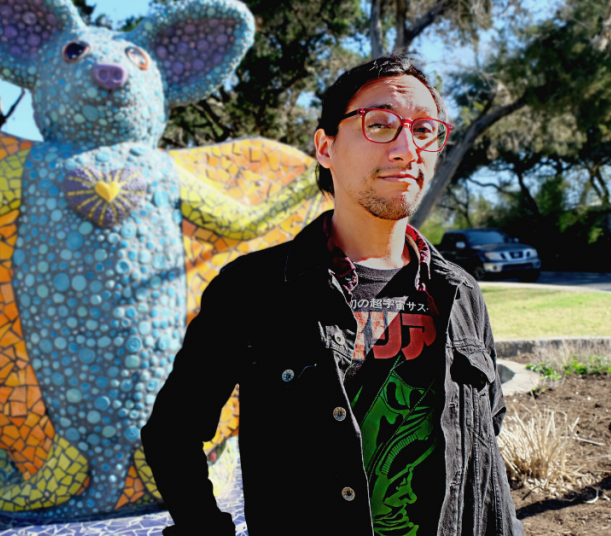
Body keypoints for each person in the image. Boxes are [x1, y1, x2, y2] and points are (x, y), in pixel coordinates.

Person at [142, 54, 524, 536]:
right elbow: (172, 432)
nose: (408, 148)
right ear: (326, 147)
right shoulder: (254, 289)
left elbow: (484, 437)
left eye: (425, 129)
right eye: (380, 124)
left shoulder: (460, 292)